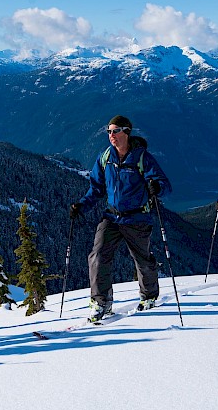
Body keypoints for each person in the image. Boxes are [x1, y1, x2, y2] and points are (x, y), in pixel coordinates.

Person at [70, 115, 172, 322]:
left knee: (142, 260)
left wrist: (157, 187)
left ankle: (149, 296)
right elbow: (96, 189)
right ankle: (101, 302)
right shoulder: (105, 158)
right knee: (98, 256)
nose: (111, 135)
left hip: (137, 218)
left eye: (115, 131)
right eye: (109, 131)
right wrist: (82, 206)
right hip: (112, 217)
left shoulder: (142, 158)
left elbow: (165, 186)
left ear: (127, 132)